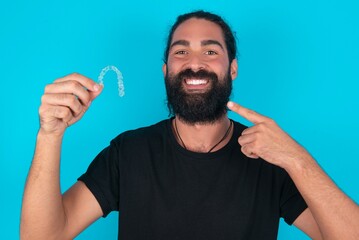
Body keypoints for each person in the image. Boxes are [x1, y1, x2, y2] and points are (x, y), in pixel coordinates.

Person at [21, 10, 359, 240]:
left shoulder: (271, 157)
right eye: (180, 53)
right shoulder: (129, 152)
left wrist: (296, 160)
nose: (194, 63)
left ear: (233, 69)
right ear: (165, 70)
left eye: (211, 52)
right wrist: (50, 134)